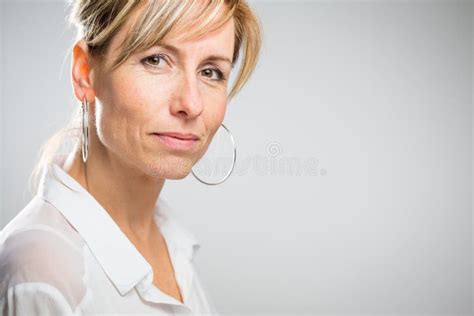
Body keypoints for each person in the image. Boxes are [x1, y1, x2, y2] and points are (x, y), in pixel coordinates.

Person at [0, 0, 261, 314]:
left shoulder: (169, 239)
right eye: (155, 60)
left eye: (210, 72)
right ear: (85, 73)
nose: (191, 104)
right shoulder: (44, 271)